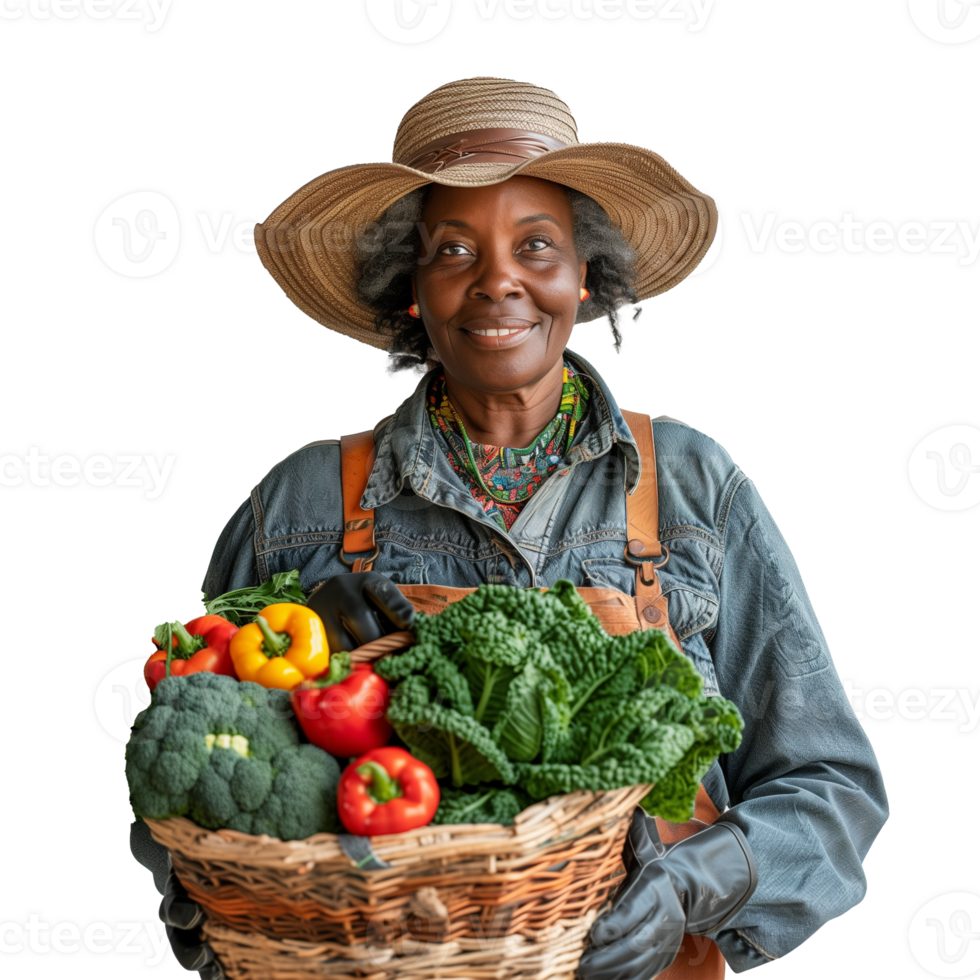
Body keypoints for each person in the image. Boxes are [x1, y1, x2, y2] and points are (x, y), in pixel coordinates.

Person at [135, 76, 890, 978]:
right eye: (453, 250)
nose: (499, 280)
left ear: (586, 274)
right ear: (409, 287)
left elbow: (832, 790)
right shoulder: (300, 507)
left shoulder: (692, 487)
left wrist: (688, 887)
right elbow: (187, 772)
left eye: (537, 245)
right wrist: (305, 649)